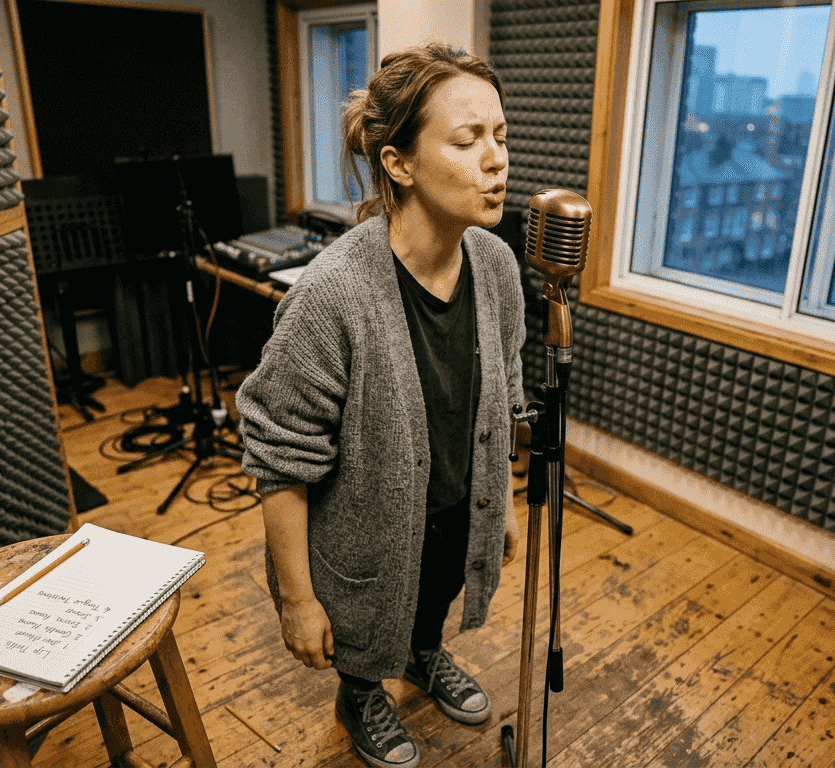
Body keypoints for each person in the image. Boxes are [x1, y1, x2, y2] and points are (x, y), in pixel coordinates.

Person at [236, 42, 525, 768]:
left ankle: (424, 654)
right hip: (364, 536)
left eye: (500, 136)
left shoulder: (496, 266)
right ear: (398, 163)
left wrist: (507, 500)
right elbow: (279, 459)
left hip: (457, 510)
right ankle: (362, 691)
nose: (496, 159)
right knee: (367, 627)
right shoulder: (331, 295)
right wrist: (298, 602)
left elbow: (505, 395)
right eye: (466, 140)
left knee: (431, 600)